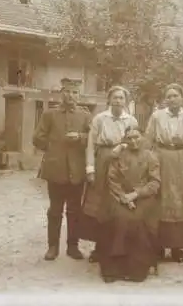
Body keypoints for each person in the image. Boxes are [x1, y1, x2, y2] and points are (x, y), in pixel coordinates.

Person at [32, 77, 91, 261]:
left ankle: (72, 247)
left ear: (79, 95)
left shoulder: (85, 115)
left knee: (74, 210)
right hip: (56, 170)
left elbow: (92, 138)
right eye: (67, 91)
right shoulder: (50, 115)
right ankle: (52, 247)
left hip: (77, 171)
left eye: (74, 92)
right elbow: (37, 138)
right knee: (55, 210)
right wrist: (53, 148)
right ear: (61, 93)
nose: (70, 95)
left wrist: (80, 137)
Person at [80, 85, 138, 263]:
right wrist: (90, 168)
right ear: (109, 100)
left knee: (119, 203)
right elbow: (91, 144)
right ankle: (99, 248)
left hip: (123, 163)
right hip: (103, 160)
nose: (118, 101)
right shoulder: (100, 119)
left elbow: (135, 144)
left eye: (121, 98)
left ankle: (118, 247)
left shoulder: (131, 121)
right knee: (101, 205)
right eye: (115, 98)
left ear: (126, 101)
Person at [144, 83, 183, 262]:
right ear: (164, 99)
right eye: (168, 96)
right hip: (161, 158)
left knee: (179, 200)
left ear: (182, 98)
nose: (172, 99)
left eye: (175, 95)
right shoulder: (157, 116)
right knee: (160, 199)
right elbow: (148, 140)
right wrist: (151, 165)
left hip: (181, 160)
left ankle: (177, 248)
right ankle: (158, 246)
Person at [99, 127, 161, 283]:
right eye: (129, 138)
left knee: (137, 219)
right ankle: (114, 269)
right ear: (124, 140)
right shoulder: (119, 157)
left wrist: (136, 194)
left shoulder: (151, 157)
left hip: (143, 197)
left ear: (142, 138)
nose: (133, 141)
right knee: (119, 218)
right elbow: (112, 180)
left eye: (136, 137)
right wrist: (123, 197)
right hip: (120, 197)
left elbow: (155, 182)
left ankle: (136, 268)